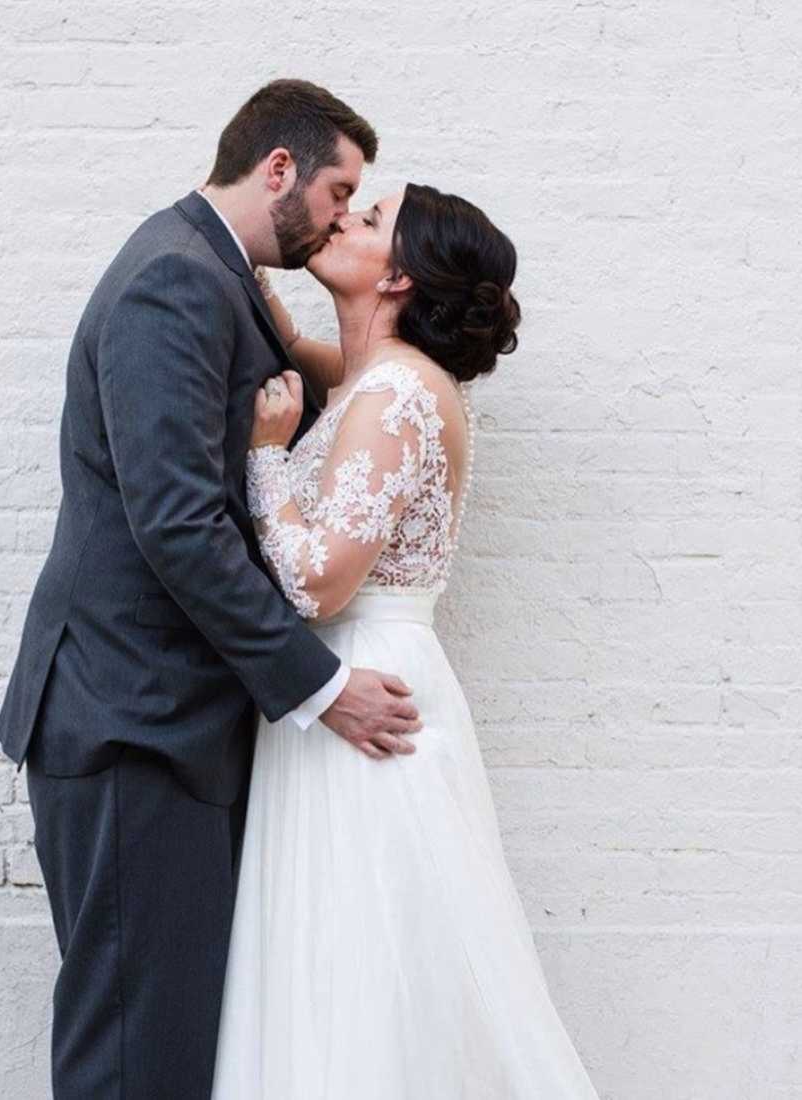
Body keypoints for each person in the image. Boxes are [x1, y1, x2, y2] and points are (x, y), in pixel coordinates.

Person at [0, 79, 425, 1099]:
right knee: (137, 1057)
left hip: (166, 724)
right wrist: (321, 687)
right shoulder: (174, 281)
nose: (340, 213)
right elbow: (177, 522)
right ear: (278, 167)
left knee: (174, 1045)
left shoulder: (218, 277)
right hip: (130, 724)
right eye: (337, 187)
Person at [209, 183, 603, 1098]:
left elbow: (315, 582)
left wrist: (267, 453)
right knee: (344, 958)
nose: (342, 218)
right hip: (347, 686)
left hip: (364, 698)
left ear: (397, 275)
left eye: (368, 217)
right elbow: (310, 351)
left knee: (363, 965)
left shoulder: (394, 396)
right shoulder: (373, 380)